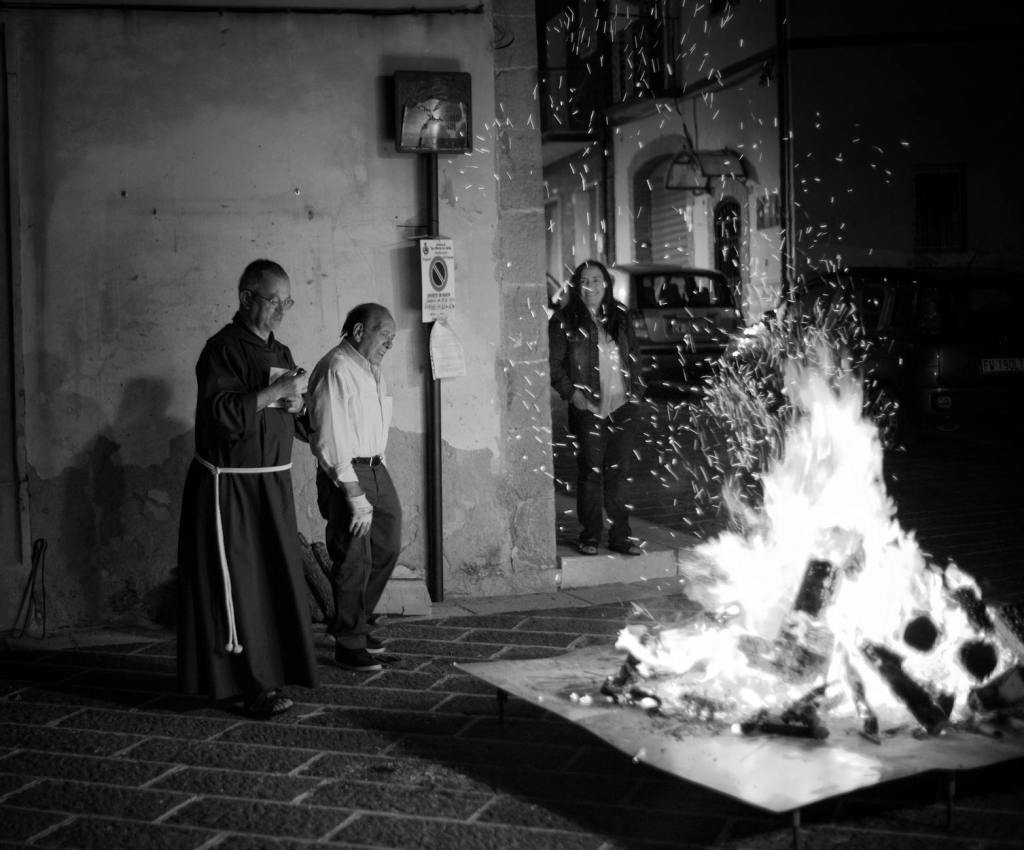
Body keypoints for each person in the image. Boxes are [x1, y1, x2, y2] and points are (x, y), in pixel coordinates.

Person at [177, 259, 319, 717]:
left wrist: (298, 406)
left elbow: (299, 423)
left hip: (271, 486)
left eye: (287, 302)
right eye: (273, 300)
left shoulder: (282, 352)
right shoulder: (220, 350)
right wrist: (274, 394)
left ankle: (274, 673)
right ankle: (249, 684)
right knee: (240, 586)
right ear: (246, 298)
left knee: (273, 582)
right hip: (230, 492)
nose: (281, 311)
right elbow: (219, 414)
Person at [307, 303, 401, 673]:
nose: (389, 344)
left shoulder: (373, 371)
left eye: (393, 339)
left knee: (387, 545)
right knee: (352, 559)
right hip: (347, 470)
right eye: (385, 335)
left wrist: (380, 469)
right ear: (360, 331)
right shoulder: (336, 368)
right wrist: (351, 488)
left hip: (376, 467)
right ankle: (349, 644)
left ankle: (353, 624)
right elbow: (328, 436)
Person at [549, 259, 645, 557]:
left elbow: (634, 356)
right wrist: (573, 395)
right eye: (584, 281)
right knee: (590, 473)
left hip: (622, 406)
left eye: (596, 280)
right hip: (588, 407)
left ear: (606, 284)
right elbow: (554, 365)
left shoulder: (621, 316)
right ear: (576, 286)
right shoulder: (564, 320)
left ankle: (620, 536)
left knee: (618, 474)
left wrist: (637, 392)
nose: (590, 286)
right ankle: (590, 535)